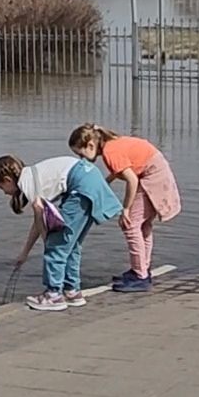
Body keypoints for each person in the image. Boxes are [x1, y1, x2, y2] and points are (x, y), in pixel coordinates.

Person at [0, 152, 120, 312]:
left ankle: (53, 295)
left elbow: (39, 216)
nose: (4, 192)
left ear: (7, 180)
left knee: (57, 246)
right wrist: (25, 252)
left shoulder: (27, 182)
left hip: (80, 188)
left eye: (2, 187)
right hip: (91, 182)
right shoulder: (33, 174)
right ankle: (72, 291)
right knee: (71, 246)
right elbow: (38, 223)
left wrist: (49, 243)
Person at [69, 123, 183, 292]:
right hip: (158, 171)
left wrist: (126, 209)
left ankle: (140, 276)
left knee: (130, 224)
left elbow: (132, 180)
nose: (82, 159)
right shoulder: (113, 144)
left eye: (81, 153)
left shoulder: (110, 152)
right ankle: (142, 269)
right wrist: (103, 183)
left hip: (151, 177)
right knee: (144, 225)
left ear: (91, 145)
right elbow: (121, 169)